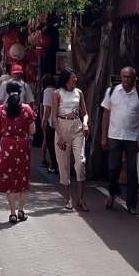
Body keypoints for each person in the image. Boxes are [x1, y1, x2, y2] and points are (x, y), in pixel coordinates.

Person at [101, 66, 139, 214]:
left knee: (131, 171)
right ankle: (113, 191)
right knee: (113, 168)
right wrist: (103, 135)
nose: (126, 80)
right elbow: (105, 114)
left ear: (134, 79)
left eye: (129, 77)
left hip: (131, 137)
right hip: (114, 135)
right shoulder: (112, 92)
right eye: (123, 76)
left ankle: (132, 205)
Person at [0, 84, 37, 223]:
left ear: (7, 92)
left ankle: (12, 213)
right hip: (23, 146)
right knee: (22, 177)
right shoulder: (27, 109)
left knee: (9, 177)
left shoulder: (1, 110)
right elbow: (33, 130)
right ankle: (21, 210)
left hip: (7, 145)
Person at [49, 69, 88, 212]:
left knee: (80, 161)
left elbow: (85, 113)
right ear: (66, 79)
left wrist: (85, 123)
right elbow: (54, 116)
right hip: (62, 127)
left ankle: (81, 199)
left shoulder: (79, 93)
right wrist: (59, 135)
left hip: (77, 127)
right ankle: (68, 198)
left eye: (76, 77)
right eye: (73, 77)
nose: (76, 79)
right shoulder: (57, 93)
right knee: (63, 164)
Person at [39, 73, 57, 172]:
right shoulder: (57, 90)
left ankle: (53, 165)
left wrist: (44, 119)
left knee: (50, 143)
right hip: (58, 120)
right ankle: (55, 164)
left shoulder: (46, 91)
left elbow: (47, 107)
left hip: (50, 120)